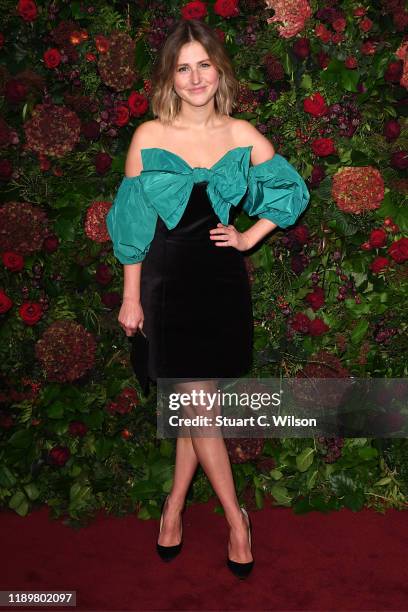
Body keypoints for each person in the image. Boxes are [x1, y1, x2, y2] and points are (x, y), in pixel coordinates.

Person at [106, 18, 310, 580]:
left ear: (218, 70)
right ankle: (236, 519)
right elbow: (131, 224)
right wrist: (131, 296)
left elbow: (292, 191)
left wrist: (249, 235)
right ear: (170, 79)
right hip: (166, 282)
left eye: (203, 64)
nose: (195, 77)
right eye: (183, 67)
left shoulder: (242, 133)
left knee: (197, 407)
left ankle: (172, 508)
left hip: (220, 282)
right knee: (198, 404)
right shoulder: (148, 136)